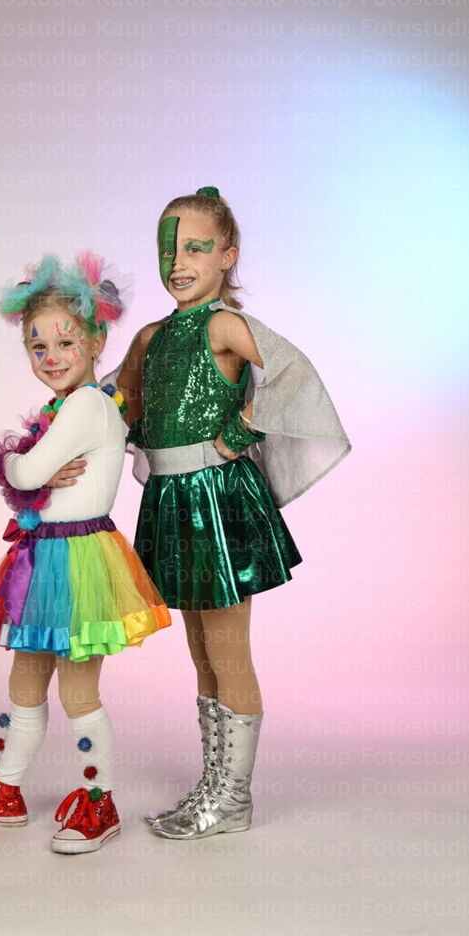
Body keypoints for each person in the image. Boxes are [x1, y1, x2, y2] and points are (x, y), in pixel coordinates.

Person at [95, 186, 351, 840]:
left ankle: (233, 800)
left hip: (218, 502)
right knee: (200, 652)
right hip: (171, 503)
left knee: (228, 650)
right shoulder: (151, 337)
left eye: (195, 248)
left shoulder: (224, 326)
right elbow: (118, 403)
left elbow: (294, 372)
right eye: (168, 251)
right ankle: (213, 785)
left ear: (227, 255)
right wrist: (77, 415)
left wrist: (241, 428)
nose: (178, 263)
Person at [0, 252, 171, 854]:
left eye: (66, 342)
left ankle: (99, 801)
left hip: (76, 564)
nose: (52, 356)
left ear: (96, 341)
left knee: (77, 692)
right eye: (38, 346)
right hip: (44, 559)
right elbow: (30, 477)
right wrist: (25, 472)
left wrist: (15, 465)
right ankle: (4, 788)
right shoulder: (62, 408)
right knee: (25, 681)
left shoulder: (88, 405)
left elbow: (27, 471)